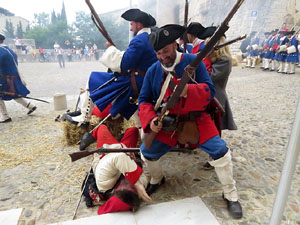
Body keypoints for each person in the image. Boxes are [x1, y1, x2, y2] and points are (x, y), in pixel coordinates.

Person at [138, 24, 243, 219]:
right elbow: (144, 100)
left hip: (196, 118)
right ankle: (157, 179)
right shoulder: (154, 70)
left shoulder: (193, 62)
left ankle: (230, 194)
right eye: (159, 53)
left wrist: (188, 91)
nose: (163, 57)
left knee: (220, 151)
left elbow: (210, 90)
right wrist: (151, 119)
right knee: (147, 152)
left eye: (166, 51)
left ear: (174, 45)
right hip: (167, 123)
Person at [66, 8, 157, 129]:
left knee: (92, 80)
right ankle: (142, 132)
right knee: (136, 109)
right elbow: (133, 58)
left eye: (131, 24)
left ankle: (84, 119)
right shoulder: (151, 38)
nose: (130, 28)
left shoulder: (140, 39)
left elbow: (124, 63)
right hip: (145, 81)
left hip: (136, 82)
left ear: (139, 24)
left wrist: (110, 49)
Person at [82, 124, 151, 214]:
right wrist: (144, 158)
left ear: (116, 191)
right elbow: (147, 172)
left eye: (128, 186)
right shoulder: (137, 190)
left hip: (107, 151)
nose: (130, 183)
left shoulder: (103, 181)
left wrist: (136, 183)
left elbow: (119, 157)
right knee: (133, 130)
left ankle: (91, 135)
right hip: (125, 151)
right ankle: (120, 138)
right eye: (133, 188)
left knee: (102, 128)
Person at [0, 33, 37, 123]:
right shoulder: (9, 50)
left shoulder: (1, 51)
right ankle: (30, 106)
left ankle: (5, 116)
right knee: (14, 94)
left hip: (5, 78)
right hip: (13, 77)